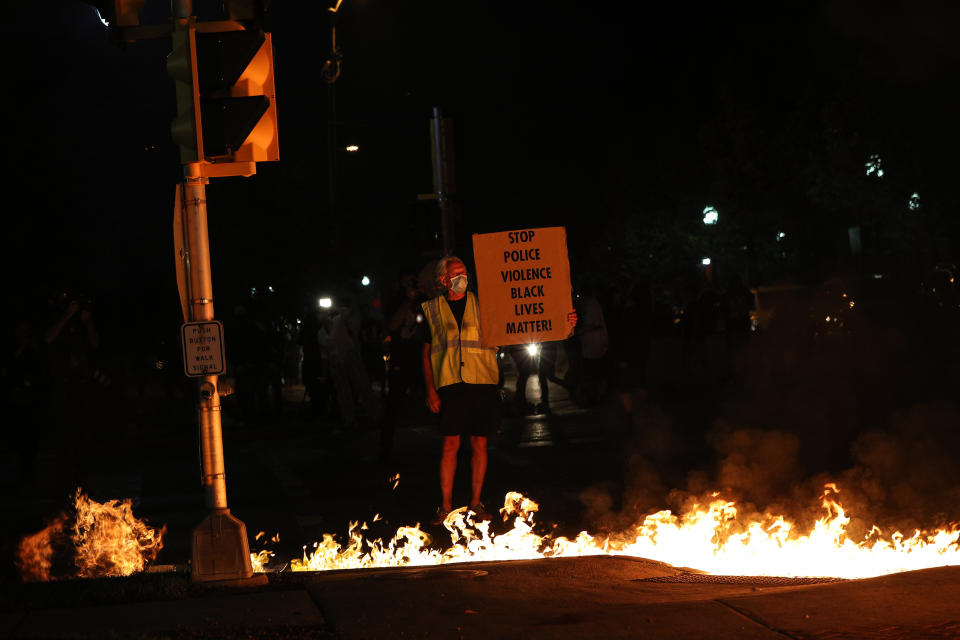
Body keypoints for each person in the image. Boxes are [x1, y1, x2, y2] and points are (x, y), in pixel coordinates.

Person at [421, 256, 577, 523]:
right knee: (450, 445)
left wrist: (564, 321)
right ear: (444, 280)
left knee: (479, 444)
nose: (462, 278)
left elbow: (524, 318)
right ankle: (445, 507)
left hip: (482, 382)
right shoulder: (432, 310)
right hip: (450, 385)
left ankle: (475, 504)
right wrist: (431, 390)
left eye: (465, 272)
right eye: (456, 274)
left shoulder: (484, 305)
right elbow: (426, 354)